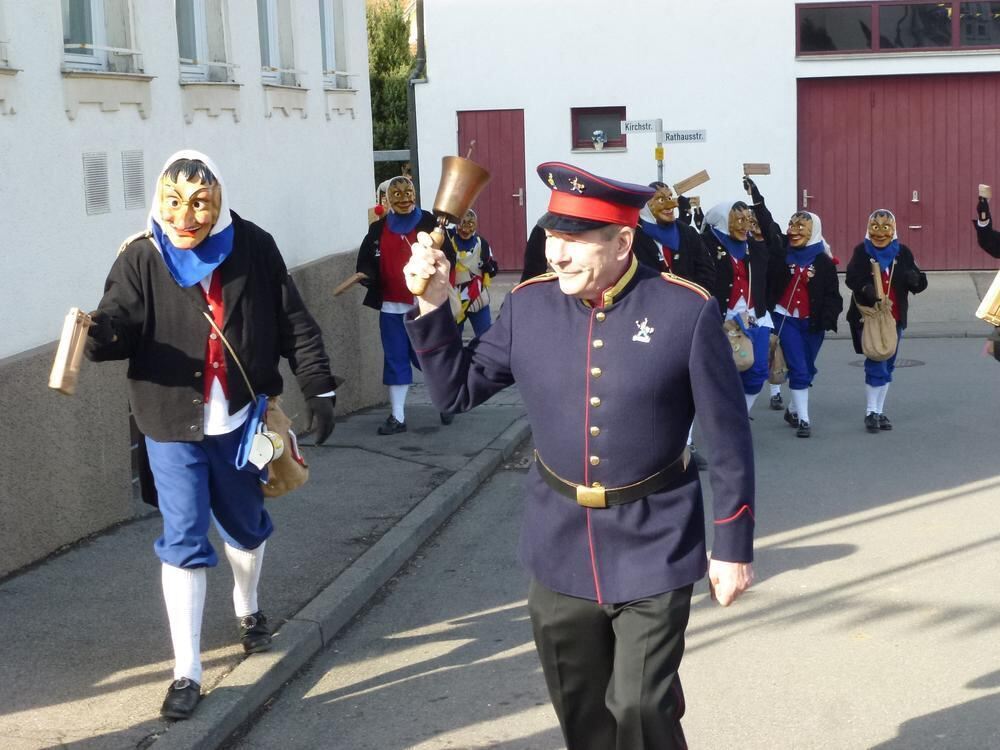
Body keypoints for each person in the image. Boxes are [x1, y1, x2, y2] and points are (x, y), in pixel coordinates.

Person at [403, 162, 755, 750]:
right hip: (559, 542)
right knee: (583, 713)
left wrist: (733, 545)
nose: (557, 255)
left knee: (642, 705)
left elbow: (727, 437)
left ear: (622, 241)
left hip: (655, 539)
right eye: (551, 237)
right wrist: (434, 303)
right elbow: (456, 392)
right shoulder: (528, 306)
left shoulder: (684, 311)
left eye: (574, 241)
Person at [85, 150, 338, 720]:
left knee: (246, 530)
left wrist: (319, 386)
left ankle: (247, 606)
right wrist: (99, 334)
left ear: (218, 197)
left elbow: (293, 320)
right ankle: (187, 671)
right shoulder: (141, 256)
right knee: (183, 539)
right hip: (169, 421)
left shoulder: (253, 245)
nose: (186, 217)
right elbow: (119, 321)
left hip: (241, 421)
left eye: (199, 202)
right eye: (174, 202)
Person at [356, 175, 456, 433]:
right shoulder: (378, 229)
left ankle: (447, 400)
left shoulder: (429, 224)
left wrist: (443, 289)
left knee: (428, 357)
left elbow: (449, 258)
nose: (404, 198)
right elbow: (367, 259)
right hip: (391, 307)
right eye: (397, 194)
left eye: (408, 191)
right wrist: (366, 275)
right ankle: (397, 417)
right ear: (388, 200)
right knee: (395, 358)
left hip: (424, 307)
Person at [633, 181, 716, 468]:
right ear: (645, 206)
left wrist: (696, 305)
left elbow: (707, 271)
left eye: (671, 198)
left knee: (687, 385)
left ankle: (686, 447)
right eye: (660, 200)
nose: (670, 204)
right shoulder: (633, 236)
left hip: (687, 319)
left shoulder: (688, 234)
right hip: (649, 321)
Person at [845, 209, 927, 433]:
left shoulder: (902, 253)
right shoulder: (862, 251)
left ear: (894, 229)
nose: (880, 232)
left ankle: (879, 411)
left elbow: (918, 280)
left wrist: (915, 280)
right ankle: (871, 412)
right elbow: (851, 277)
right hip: (869, 318)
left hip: (894, 317)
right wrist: (866, 288)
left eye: (885, 227)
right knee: (876, 360)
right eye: (875, 227)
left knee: (888, 364)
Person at [767, 212, 843, 437]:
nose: (794, 230)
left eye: (802, 226)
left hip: (812, 323)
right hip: (785, 318)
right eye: (791, 225)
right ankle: (804, 420)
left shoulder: (823, 261)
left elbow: (832, 294)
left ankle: (792, 410)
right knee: (799, 368)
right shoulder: (781, 254)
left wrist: (828, 317)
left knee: (807, 368)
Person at [702, 198, 774, 414]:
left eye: (747, 219)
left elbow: (773, 241)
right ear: (724, 221)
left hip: (755, 317)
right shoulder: (705, 245)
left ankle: (740, 417)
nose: (745, 225)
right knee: (722, 373)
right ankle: (719, 420)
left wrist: (759, 203)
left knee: (758, 371)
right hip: (722, 319)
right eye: (739, 219)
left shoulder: (755, 246)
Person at [446, 208, 498, 337]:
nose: (465, 229)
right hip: (454, 299)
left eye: (470, 224)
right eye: (462, 224)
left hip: (476, 298)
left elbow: (493, 269)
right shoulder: (447, 239)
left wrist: (488, 267)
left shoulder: (482, 243)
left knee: (485, 336)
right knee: (453, 339)